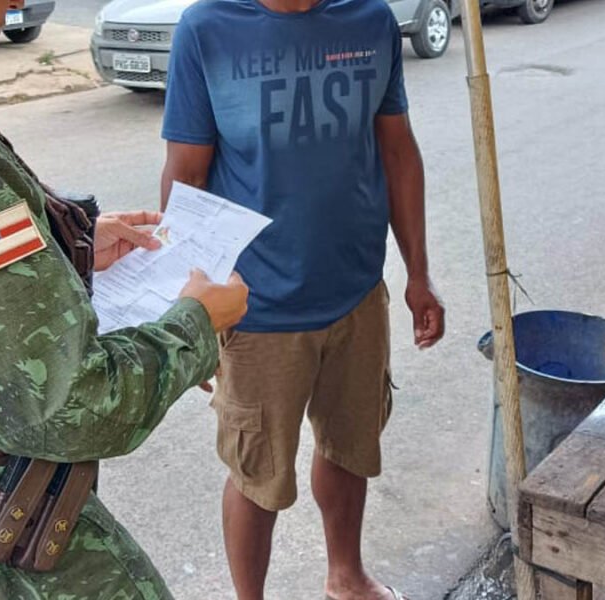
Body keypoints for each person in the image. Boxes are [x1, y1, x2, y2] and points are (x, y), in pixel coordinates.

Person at [0, 0, 248, 597]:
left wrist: (65, 248)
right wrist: (196, 325)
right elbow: (66, 409)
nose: (18, 3)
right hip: (0, 550)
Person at [160, 0, 445, 597]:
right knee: (256, 472)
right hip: (256, 307)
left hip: (356, 293)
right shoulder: (207, 30)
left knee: (351, 446)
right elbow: (186, 176)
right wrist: (186, 315)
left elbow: (397, 151)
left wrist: (418, 273)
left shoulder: (371, 20)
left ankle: (346, 575)